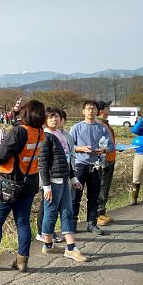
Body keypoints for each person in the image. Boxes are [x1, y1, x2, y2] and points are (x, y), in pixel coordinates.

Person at [0, 100, 45, 273]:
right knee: (22, 222)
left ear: (26, 114)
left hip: (10, 183)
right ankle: (22, 260)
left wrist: (0, 144)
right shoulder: (40, 133)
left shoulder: (19, 132)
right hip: (30, 183)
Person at [38, 108, 88, 262]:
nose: (54, 119)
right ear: (45, 120)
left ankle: (70, 247)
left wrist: (73, 178)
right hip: (53, 181)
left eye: (57, 117)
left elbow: (66, 160)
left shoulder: (60, 135)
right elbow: (43, 164)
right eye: (51, 117)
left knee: (67, 211)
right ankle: (48, 243)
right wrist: (46, 186)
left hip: (64, 179)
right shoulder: (46, 137)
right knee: (51, 213)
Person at [69, 101, 113, 235]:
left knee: (93, 197)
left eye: (93, 108)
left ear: (97, 111)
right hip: (79, 166)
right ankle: (72, 224)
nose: (90, 111)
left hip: (96, 166)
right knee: (75, 196)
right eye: (88, 108)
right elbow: (69, 146)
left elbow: (111, 146)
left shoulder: (102, 128)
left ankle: (91, 223)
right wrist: (81, 149)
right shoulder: (76, 128)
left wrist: (104, 150)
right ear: (83, 111)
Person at [95, 101, 117, 226]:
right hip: (103, 161)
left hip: (110, 158)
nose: (109, 109)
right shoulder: (98, 125)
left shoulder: (104, 124)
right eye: (107, 107)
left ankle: (102, 212)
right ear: (102, 111)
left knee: (106, 188)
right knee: (101, 188)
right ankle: (98, 215)